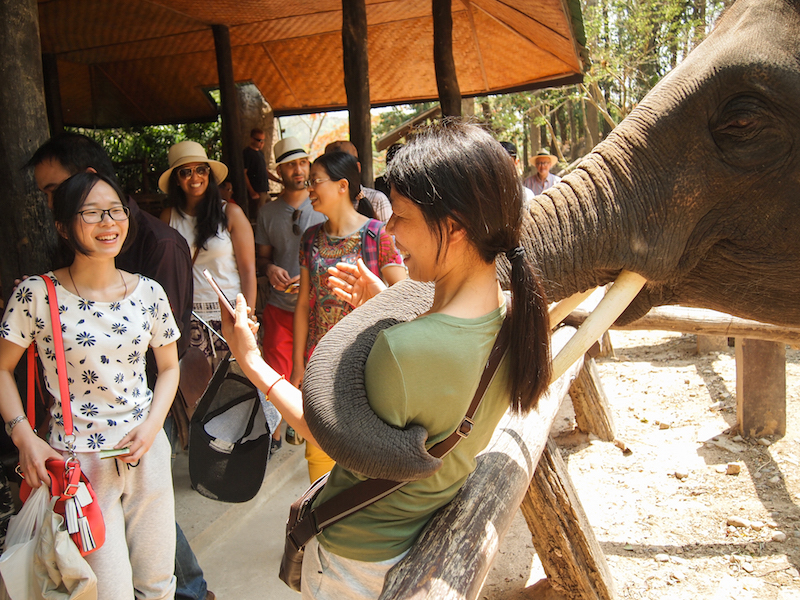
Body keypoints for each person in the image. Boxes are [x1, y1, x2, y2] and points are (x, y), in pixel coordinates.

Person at [221, 120, 551, 599]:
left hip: (358, 556)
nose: (390, 231)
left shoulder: (404, 350)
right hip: (419, 522)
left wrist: (251, 362)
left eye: (400, 216)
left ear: (454, 227)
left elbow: (331, 434)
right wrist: (385, 303)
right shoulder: (511, 313)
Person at [26, 133, 213, 600]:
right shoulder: (46, 282)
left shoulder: (159, 251)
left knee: (155, 566)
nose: (106, 222)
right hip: (81, 446)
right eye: (50, 195)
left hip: (141, 424)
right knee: (105, 580)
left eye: (55, 188)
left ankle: (193, 591)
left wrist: (148, 426)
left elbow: (164, 355)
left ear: (88, 180)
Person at [0, 172, 181, 600]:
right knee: (106, 592)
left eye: (116, 210)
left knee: (158, 585)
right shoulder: (37, 294)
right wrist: (23, 436)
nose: (109, 222)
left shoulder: (149, 293)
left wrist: (153, 426)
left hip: (147, 451)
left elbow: (169, 367)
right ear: (63, 226)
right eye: (91, 213)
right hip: (79, 465)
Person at [292, 152, 405, 481]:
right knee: (319, 451)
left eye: (316, 181)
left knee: (367, 455)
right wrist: (299, 364)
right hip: (319, 364)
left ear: (342, 186)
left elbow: (405, 296)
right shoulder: (310, 239)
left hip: (367, 365)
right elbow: (303, 304)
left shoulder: (378, 235)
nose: (309, 187)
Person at [255, 137, 326, 449]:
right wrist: (270, 270)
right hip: (281, 306)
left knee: (318, 370)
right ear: (278, 171)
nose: (298, 170)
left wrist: (312, 276)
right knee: (275, 375)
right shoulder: (268, 213)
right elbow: (262, 257)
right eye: (290, 165)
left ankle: (317, 432)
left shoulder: (324, 205)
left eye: (302, 162)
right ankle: (274, 436)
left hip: (319, 308)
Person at [159, 141, 256, 367]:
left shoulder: (230, 213)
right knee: (198, 395)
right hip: (188, 317)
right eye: (186, 172)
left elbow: (248, 270)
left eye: (201, 170)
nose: (195, 178)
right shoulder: (168, 217)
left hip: (230, 315)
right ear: (176, 178)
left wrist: (247, 317)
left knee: (238, 389)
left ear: (209, 173)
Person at [324, 140, 392, 222]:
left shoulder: (377, 200)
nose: (337, 173)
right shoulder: (323, 204)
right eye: (331, 168)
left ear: (358, 167)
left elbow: (389, 234)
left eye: (342, 166)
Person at [243, 128, 269, 215]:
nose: (262, 143)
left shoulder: (261, 153)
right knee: (259, 216)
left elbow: (265, 171)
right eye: (259, 140)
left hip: (264, 190)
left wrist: (278, 181)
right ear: (252, 139)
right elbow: (244, 173)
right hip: (256, 191)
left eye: (263, 140)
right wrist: (252, 191)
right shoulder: (247, 153)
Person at [499, 141, 535, 205]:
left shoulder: (527, 195)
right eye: (500, 163)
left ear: (516, 162)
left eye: (508, 163)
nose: (504, 168)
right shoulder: (487, 195)